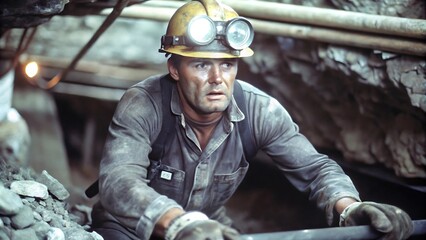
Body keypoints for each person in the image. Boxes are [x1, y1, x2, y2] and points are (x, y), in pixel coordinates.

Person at [90, 0, 413, 239]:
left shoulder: (259, 110)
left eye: (228, 65)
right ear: (174, 69)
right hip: (130, 227)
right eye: (202, 66)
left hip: (207, 228)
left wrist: (349, 208)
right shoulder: (144, 104)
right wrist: (177, 222)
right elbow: (119, 182)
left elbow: (315, 169)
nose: (218, 78)